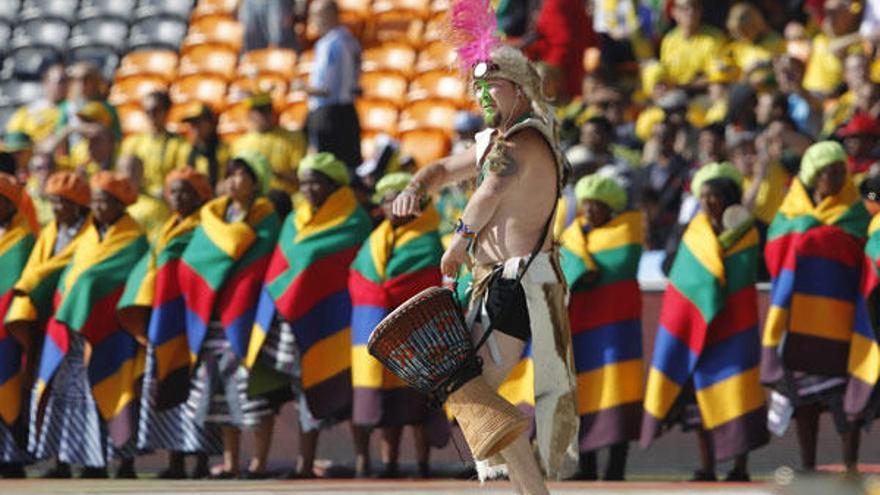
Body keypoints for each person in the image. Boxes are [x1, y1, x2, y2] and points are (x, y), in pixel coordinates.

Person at [392, 44, 578, 495]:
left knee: (468, 385)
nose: (483, 96)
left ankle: (526, 486)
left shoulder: (524, 138)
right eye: (478, 88)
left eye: (491, 85)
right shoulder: (498, 142)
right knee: (468, 387)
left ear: (519, 88)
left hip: (517, 280)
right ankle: (527, 488)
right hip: (499, 281)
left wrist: (459, 242)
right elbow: (438, 168)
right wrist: (414, 188)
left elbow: (489, 191)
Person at [244, 152, 371, 478]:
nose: (308, 189)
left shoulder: (353, 220)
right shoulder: (293, 220)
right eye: (304, 183)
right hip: (296, 320)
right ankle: (304, 463)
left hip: (340, 320)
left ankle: (363, 462)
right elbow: (284, 264)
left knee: (351, 389)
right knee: (304, 387)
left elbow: (351, 265)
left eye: (316, 182)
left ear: (333, 184)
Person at [642, 162, 769, 482]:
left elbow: (755, 272)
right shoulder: (691, 232)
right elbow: (674, 270)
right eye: (704, 196)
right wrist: (700, 284)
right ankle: (708, 465)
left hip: (735, 328)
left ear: (730, 198)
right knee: (699, 403)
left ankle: (740, 468)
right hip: (696, 327)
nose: (708, 202)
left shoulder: (750, 232)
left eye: (715, 196)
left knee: (737, 395)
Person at [762, 141, 875, 475]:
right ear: (813, 177)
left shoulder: (856, 211)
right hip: (799, 322)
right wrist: (808, 235)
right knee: (805, 404)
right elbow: (774, 251)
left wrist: (816, 240)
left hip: (842, 320)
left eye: (842, 171)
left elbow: (861, 250)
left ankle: (851, 467)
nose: (838, 178)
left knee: (846, 403)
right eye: (830, 172)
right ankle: (807, 466)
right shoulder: (789, 214)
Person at [29, 172, 148, 479]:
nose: (99, 206)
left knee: (115, 391)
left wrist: (87, 290)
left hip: (111, 329)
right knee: (67, 395)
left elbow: (116, 278)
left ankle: (120, 462)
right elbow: (73, 275)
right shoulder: (89, 236)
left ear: (121, 204)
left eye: (106, 201)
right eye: (96, 201)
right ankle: (64, 460)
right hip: (73, 332)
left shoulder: (133, 237)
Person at [178, 151, 281, 479]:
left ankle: (259, 461)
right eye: (229, 174)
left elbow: (261, 264)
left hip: (248, 314)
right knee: (220, 392)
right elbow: (196, 257)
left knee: (253, 392)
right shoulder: (212, 216)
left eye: (241, 174)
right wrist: (217, 269)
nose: (233, 181)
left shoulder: (266, 216)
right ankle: (231, 460)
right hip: (214, 314)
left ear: (256, 181)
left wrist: (225, 267)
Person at [116, 168, 218, 480]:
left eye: (186, 192)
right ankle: (175, 461)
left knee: (198, 391)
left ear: (201, 196)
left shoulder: (207, 227)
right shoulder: (165, 227)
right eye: (174, 191)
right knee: (169, 387)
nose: (179, 198)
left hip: (193, 318)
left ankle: (200, 460)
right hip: (165, 318)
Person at [349, 172, 448, 478]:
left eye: (398, 200)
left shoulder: (431, 240)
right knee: (386, 406)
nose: (392, 206)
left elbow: (430, 285)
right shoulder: (374, 239)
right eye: (387, 200)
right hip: (378, 331)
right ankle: (387, 463)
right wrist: (377, 294)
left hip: (417, 335)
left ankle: (422, 464)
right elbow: (358, 279)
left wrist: (390, 292)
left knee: (418, 404)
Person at [4, 172, 91, 479]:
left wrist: (28, 285)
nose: (56, 209)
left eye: (63, 203)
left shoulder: (86, 235)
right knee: (50, 394)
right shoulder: (50, 233)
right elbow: (36, 271)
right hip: (46, 325)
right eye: (53, 202)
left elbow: (40, 274)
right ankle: (57, 461)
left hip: (75, 325)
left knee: (78, 396)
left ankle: (86, 462)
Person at [559, 174, 643, 481]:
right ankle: (586, 465)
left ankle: (616, 467)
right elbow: (565, 267)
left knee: (618, 392)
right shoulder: (570, 234)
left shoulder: (629, 229)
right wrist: (581, 268)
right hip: (582, 327)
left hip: (617, 329)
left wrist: (585, 267)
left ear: (611, 208)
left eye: (597, 205)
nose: (590, 210)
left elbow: (621, 262)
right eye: (586, 204)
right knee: (582, 394)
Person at [0, 173, 36, 479]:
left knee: (10, 389)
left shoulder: (25, 238)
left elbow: (18, 283)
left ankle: (14, 457)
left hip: (8, 329)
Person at [302, 0, 362, 171]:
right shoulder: (350, 41)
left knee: (328, 170)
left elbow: (324, 89)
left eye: (315, 16)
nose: (313, 21)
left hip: (330, 116)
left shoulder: (330, 44)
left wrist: (300, 88)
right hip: (347, 111)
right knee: (348, 167)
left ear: (329, 15)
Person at [118, 91, 193, 199]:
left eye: (156, 111)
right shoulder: (132, 142)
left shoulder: (180, 144)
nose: (151, 116)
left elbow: (181, 177)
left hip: (165, 203)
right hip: (136, 201)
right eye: (147, 111)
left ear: (166, 112)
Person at [230, 93, 306, 194]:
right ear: (250, 114)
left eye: (267, 109)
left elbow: (302, 177)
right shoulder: (238, 144)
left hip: (285, 200)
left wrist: (276, 174)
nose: (264, 115)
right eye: (259, 110)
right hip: (253, 201)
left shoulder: (294, 138)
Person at [659, 0, 726, 91]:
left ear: (700, 11)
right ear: (674, 12)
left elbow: (715, 76)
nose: (691, 12)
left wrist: (684, 86)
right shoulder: (668, 40)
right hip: (674, 92)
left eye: (695, 7)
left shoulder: (714, 38)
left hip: (702, 91)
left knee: (717, 88)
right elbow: (664, 73)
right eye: (684, 8)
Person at [5, 63, 68, 143]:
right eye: (60, 81)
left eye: (69, 80)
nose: (66, 85)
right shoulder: (27, 111)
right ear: (46, 82)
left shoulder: (71, 110)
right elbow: (11, 138)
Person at [117, 155, 171, 242]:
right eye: (125, 170)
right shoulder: (109, 204)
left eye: (135, 170)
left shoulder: (155, 206)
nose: (130, 174)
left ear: (142, 173)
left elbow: (156, 242)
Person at [180, 102, 229, 188]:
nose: (195, 128)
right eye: (192, 124)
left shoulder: (224, 150)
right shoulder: (185, 151)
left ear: (211, 124)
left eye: (198, 123)